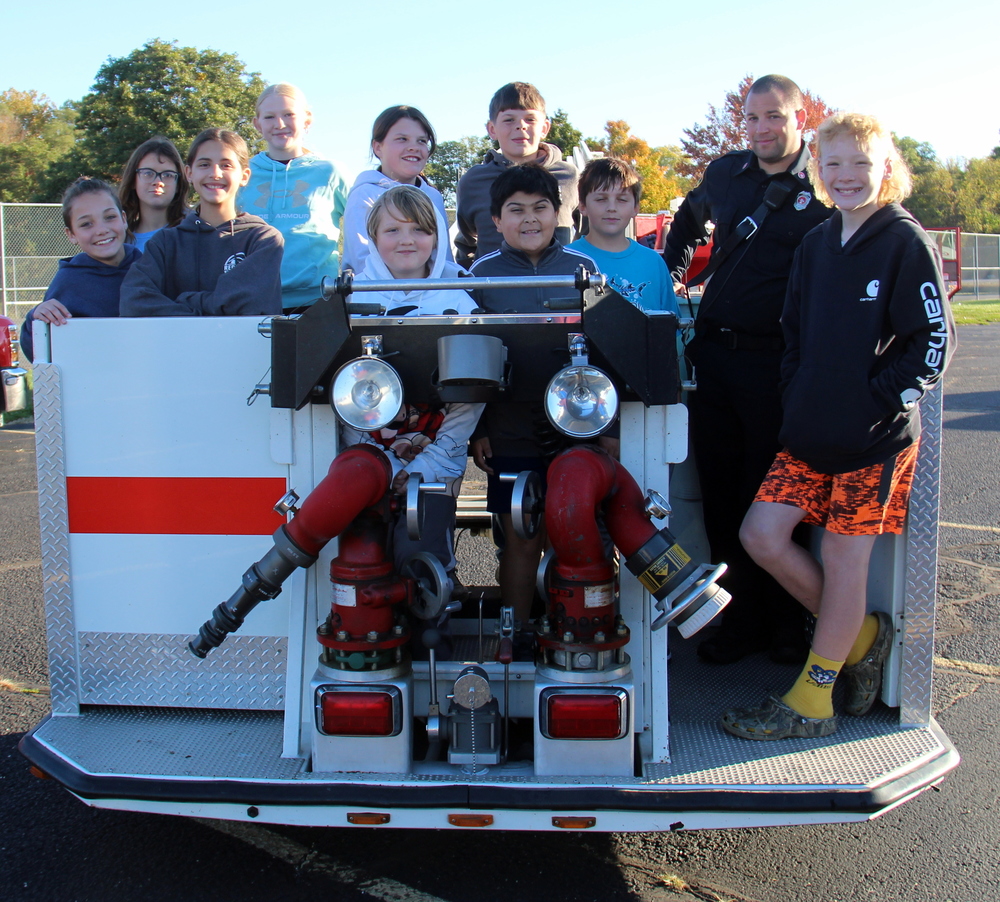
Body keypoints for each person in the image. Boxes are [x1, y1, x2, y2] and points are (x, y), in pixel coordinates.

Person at [722, 113, 956, 740]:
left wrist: (876, 401)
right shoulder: (817, 243)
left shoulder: (904, 241)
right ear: (818, 172)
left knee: (847, 561)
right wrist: (798, 396)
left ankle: (813, 696)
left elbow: (933, 341)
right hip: (808, 433)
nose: (847, 175)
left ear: (887, 168)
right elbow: (792, 336)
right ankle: (861, 641)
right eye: (834, 164)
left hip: (874, 441)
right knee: (762, 536)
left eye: (861, 162)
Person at [663, 74, 833, 665]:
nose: (761, 129)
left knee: (776, 500)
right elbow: (686, 221)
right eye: (752, 119)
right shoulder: (725, 174)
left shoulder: (824, 185)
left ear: (799, 118)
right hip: (715, 359)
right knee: (720, 498)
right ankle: (741, 624)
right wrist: (670, 278)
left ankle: (787, 625)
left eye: (774, 117)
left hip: (777, 369)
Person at [469, 164, 598, 625]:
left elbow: (605, 353)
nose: (529, 219)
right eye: (516, 210)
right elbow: (470, 360)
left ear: (558, 214)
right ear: (496, 221)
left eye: (540, 208)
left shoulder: (584, 269)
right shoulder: (481, 275)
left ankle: (569, 630)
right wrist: (479, 429)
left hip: (575, 430)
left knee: (571, 531)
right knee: (521, 536)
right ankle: (515, 635)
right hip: (508, 433)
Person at [344, 185, 482, 593]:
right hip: (367, 460)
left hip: (436, 465)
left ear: (437, 237)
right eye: (393, 230)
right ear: (372, 237)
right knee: (363, 557)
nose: (407, 240)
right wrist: (380, 462)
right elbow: (341, 396)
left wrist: (421, 467)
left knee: (419, 558)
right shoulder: (350, 302)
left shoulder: (460, 304)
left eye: (419, 229)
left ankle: (430, 638)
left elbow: (469, 401)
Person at [121, 128, 283, 317]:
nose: (215, 173)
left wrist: (185, 300)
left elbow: (249, 303)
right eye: (204, 164)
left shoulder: (264, 240)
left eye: (226, 165)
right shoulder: (165, 243)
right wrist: (203, 313)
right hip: (179, 346)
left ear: (244, 176)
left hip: (241, 346)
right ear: (189, 173)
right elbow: (133, 301)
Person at [239, 83, 348, 310]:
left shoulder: (330, 172)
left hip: (317, 302)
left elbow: (369, 228)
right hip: (252, 301)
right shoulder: (241, 173)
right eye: (270, 117)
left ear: (307, 120)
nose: (280, 124)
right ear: (257, 124)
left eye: (289, 114)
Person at [455, 82, 578, 269]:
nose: (520, 126)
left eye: (530, 119)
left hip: (559, 289)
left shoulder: (569, 176)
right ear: (492, 129)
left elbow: (585, 233)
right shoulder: (473, 182)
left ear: (545, 128)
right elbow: (467, 241)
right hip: (494, 291)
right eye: (509, 120)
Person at [20, 178, 141, 362]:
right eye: (86, 224)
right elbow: (41, 355)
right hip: (95, 383)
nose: (101, 230)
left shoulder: (148, 268)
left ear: (124, 219)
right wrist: (36, 319)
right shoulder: (68, 281)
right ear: (71, 234)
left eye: (109, 217)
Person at [342, 105, 451, 275]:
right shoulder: (364, 194)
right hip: (376, 297)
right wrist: (402, 294)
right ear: (378, 147)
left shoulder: (433, 196)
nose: (414, 147)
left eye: (421, 141)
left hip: (430, 298)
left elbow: (443, 258)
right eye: (402, 139)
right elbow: (361, 259)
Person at [568, 157, 680, 314]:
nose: (612, 208)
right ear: (582, 206)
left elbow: (668, 328)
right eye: (601, 199)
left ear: (636, 207)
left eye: (622, 199)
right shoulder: (564, 259)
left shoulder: (653, 263)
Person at [118, 137, 189, 251]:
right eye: (148, 173)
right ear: (133, 180)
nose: (158, 182)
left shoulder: (190, 233)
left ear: (178, 185)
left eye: (168, 175)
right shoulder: (118, 240)